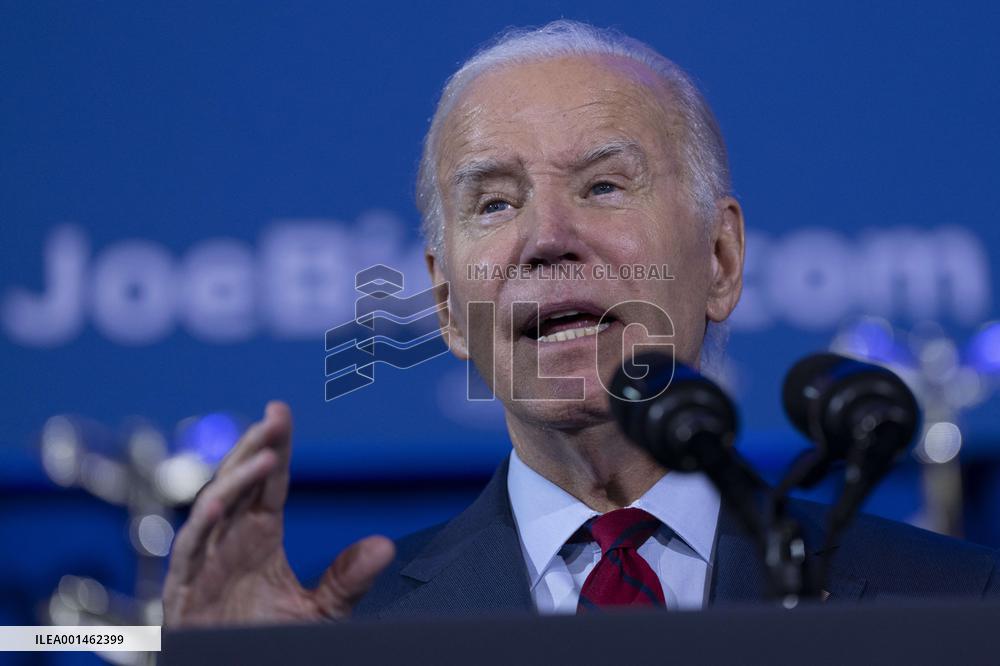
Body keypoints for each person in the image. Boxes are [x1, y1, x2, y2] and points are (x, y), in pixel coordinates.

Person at [162, 21, 999, 626]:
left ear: (720, 260)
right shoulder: (342, 634)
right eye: (495, 203)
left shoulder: (955, 605)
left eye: (602, 186)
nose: (546, 239)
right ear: (447, 307)